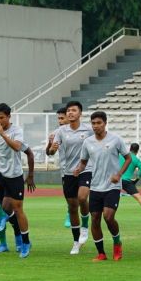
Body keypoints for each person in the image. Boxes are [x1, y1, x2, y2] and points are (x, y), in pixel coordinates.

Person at [0, 103, 36, 258]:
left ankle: (25, 243)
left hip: (15, 175)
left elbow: (17, 147)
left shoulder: (16, 131)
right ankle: (2, 221)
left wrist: (3, 133)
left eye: (2, 118)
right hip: (0, 171)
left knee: (17, 210)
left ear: (9, 117)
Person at [74, 111, 131, 262]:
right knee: (95, 218)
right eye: (93, 123)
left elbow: (128, 158)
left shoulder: (115, 139)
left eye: (99, 123)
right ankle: (101, 253)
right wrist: (79, 168)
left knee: (108, 216)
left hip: (112, 186)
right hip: (95, 186)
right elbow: (84, 161)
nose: (96, 126)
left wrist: (119, 174)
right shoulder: (88, 142)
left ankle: (117, 243)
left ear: (105, 123)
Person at [47, 101, 94, 255]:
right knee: (72, 207)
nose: (70, 113)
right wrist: (51, 148)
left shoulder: (88, 130)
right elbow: (51, 153)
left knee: (82, 198)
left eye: (74, 110)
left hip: (85, 169)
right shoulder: (61, 131)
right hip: (67, 173)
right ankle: (75, 242)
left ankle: (85, 226)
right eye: (68, 111)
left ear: (80, 113)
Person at [46, 107, 72, 227]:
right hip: (65, 170)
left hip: (82, 170)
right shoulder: (56, 133)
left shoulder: (82, 131)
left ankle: (83, 219)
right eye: (58, 118)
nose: (60, 121)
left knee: (82, 197)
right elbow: (49, 153)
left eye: (62, 118)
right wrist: (50, 145)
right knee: (69, 197)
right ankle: (70, 212)